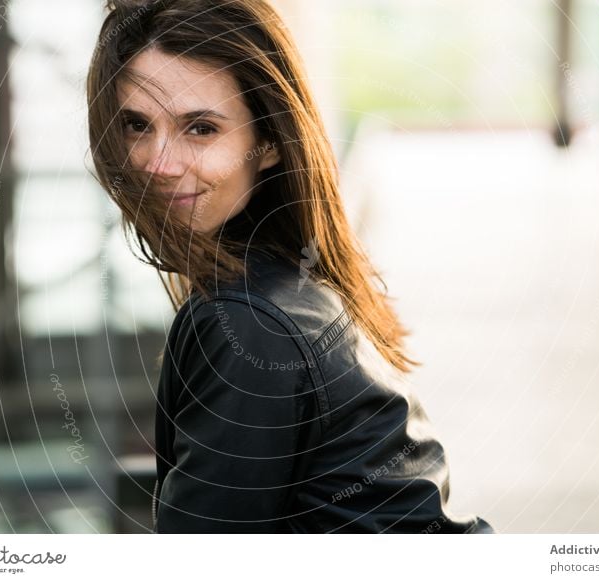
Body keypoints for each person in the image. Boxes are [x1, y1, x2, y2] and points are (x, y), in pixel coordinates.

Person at [86, 0, 494, 533]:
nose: (158, 163)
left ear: (271, 142)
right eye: (137, 124)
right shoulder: (291, 281)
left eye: (201, 129)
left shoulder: (249, 325)